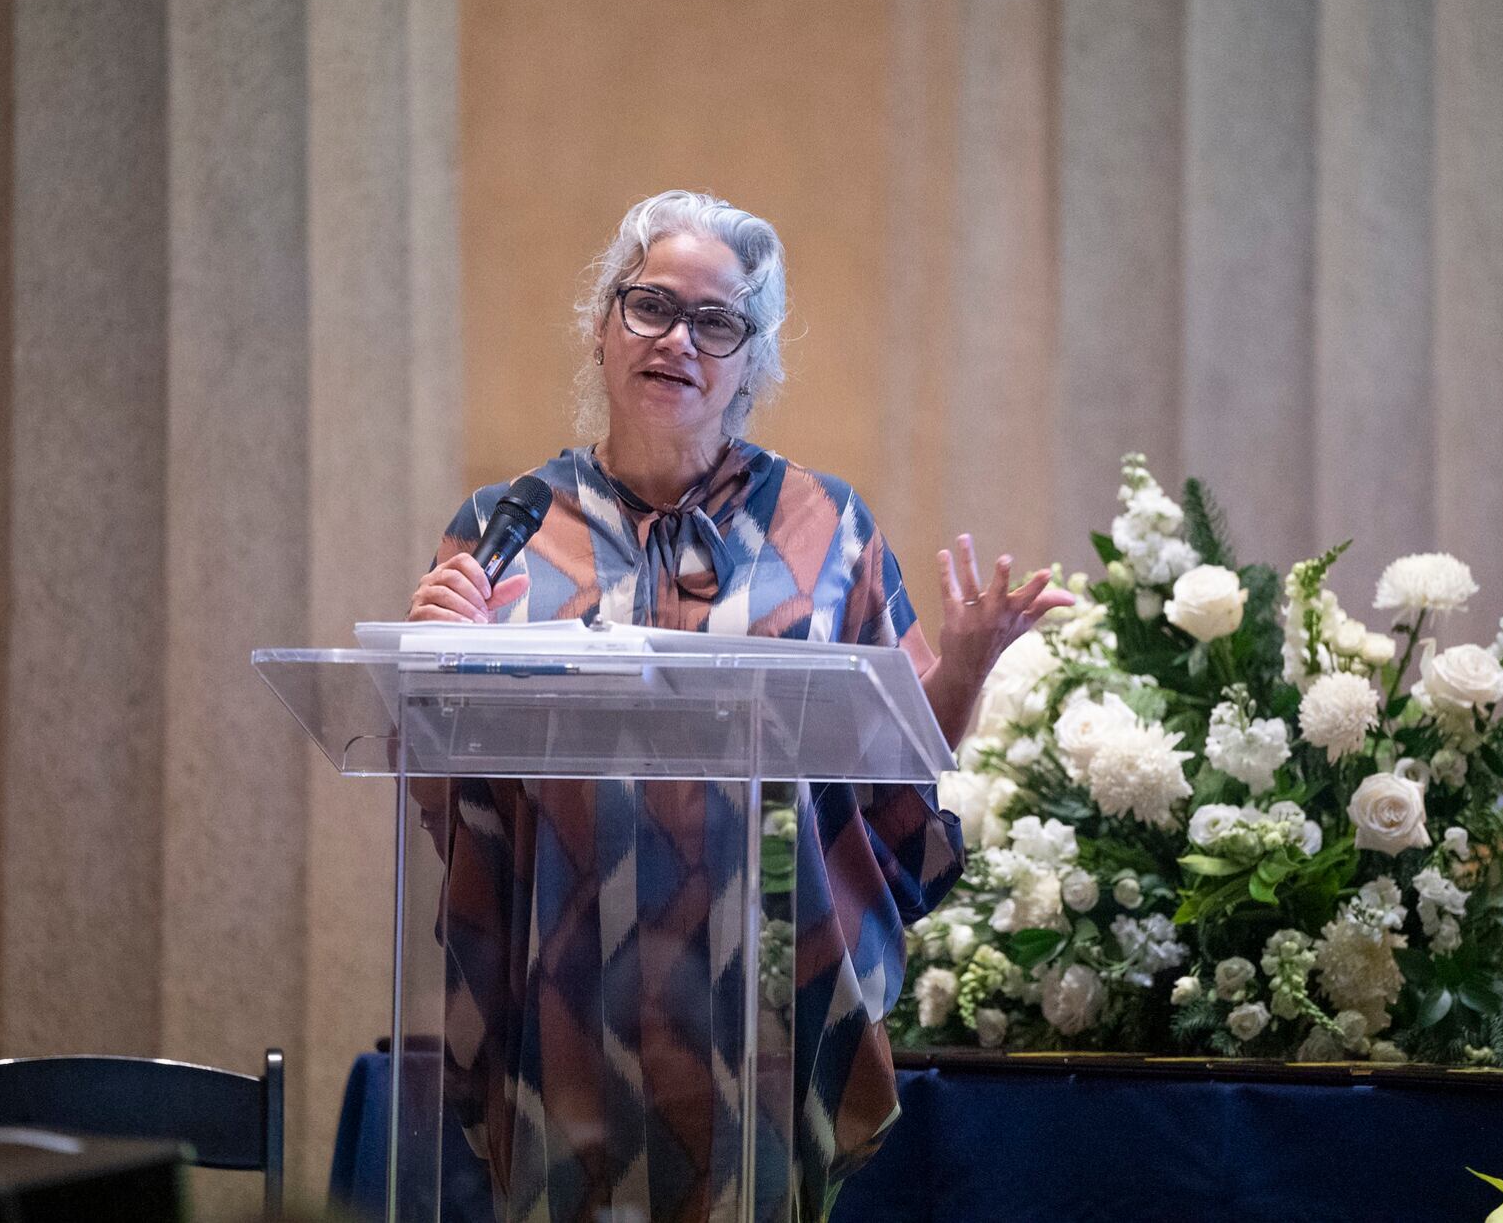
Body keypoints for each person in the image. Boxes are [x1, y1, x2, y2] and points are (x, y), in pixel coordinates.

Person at [407, 190, 1067, 1223]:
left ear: (751, 362)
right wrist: (436, 664)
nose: (677, 340)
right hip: (562, 993)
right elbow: (446, 792)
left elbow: (900, 761)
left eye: (716, 322)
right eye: (650, 306)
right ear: (600, 327)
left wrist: (968, 667)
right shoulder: (507, 526)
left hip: (762, 1003)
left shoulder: (825, 527)